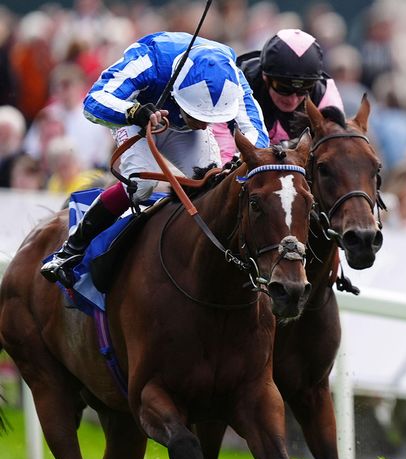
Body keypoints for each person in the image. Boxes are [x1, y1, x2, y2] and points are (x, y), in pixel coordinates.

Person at [40, 31, 269, 287]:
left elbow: (256, 133)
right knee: (141, 185)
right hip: (136, 118)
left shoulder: (230, 73)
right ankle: (72, 248)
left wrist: (240, 160)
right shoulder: (151, 59)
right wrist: (134, 111)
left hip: (176, 124)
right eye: (200, 116)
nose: (205, 125)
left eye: (211, 118)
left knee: (212, 185)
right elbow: (93, 102)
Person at [220, 28, 343, 157]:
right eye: (284, 88)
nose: (293, 99)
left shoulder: (323, 91)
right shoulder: (237, 83)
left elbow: (335, 149)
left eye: (303, 90)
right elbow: (221, 143)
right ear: (265, 77)